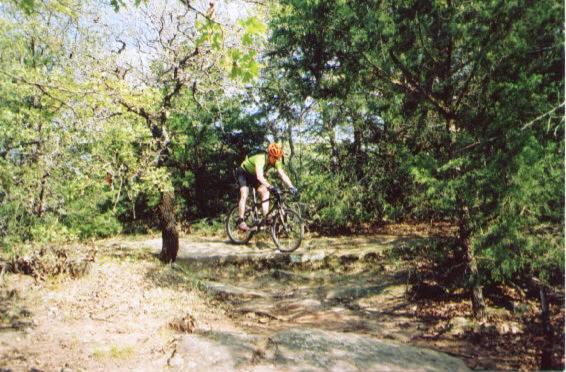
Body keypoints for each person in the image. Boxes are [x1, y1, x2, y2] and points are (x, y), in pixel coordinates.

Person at [235, 143, 297, 231]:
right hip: (243, 172)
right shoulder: (261, 159)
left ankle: (266, 217)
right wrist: (270, 186)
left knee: (265, 192)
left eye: (278, 157)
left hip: (253, 175)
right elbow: (260, 177)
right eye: (275, 157)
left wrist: (291, 186)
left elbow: (282, 174)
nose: (276, 160)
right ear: (270, 155)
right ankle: (240, 220)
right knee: (244, 194)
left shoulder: (276, 161)